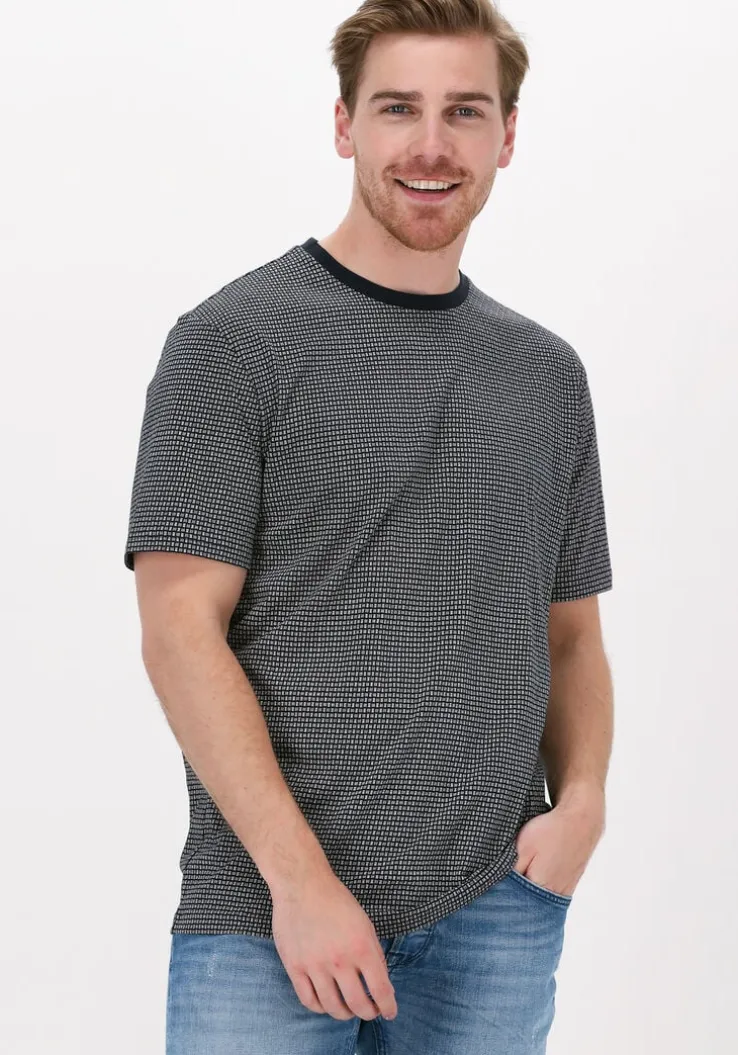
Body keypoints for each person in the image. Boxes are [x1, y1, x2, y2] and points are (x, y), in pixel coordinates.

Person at [123, 1, 615, 1052]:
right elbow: (178, 630)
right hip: (265, 917)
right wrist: (300, 883)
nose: (431, 145)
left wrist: (582, 803)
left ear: (507, 136)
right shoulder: (230, 343)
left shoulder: (546, 376)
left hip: (494, 912)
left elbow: (572, 634)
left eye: (464, 111)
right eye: (398, 108)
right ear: (344, 124)